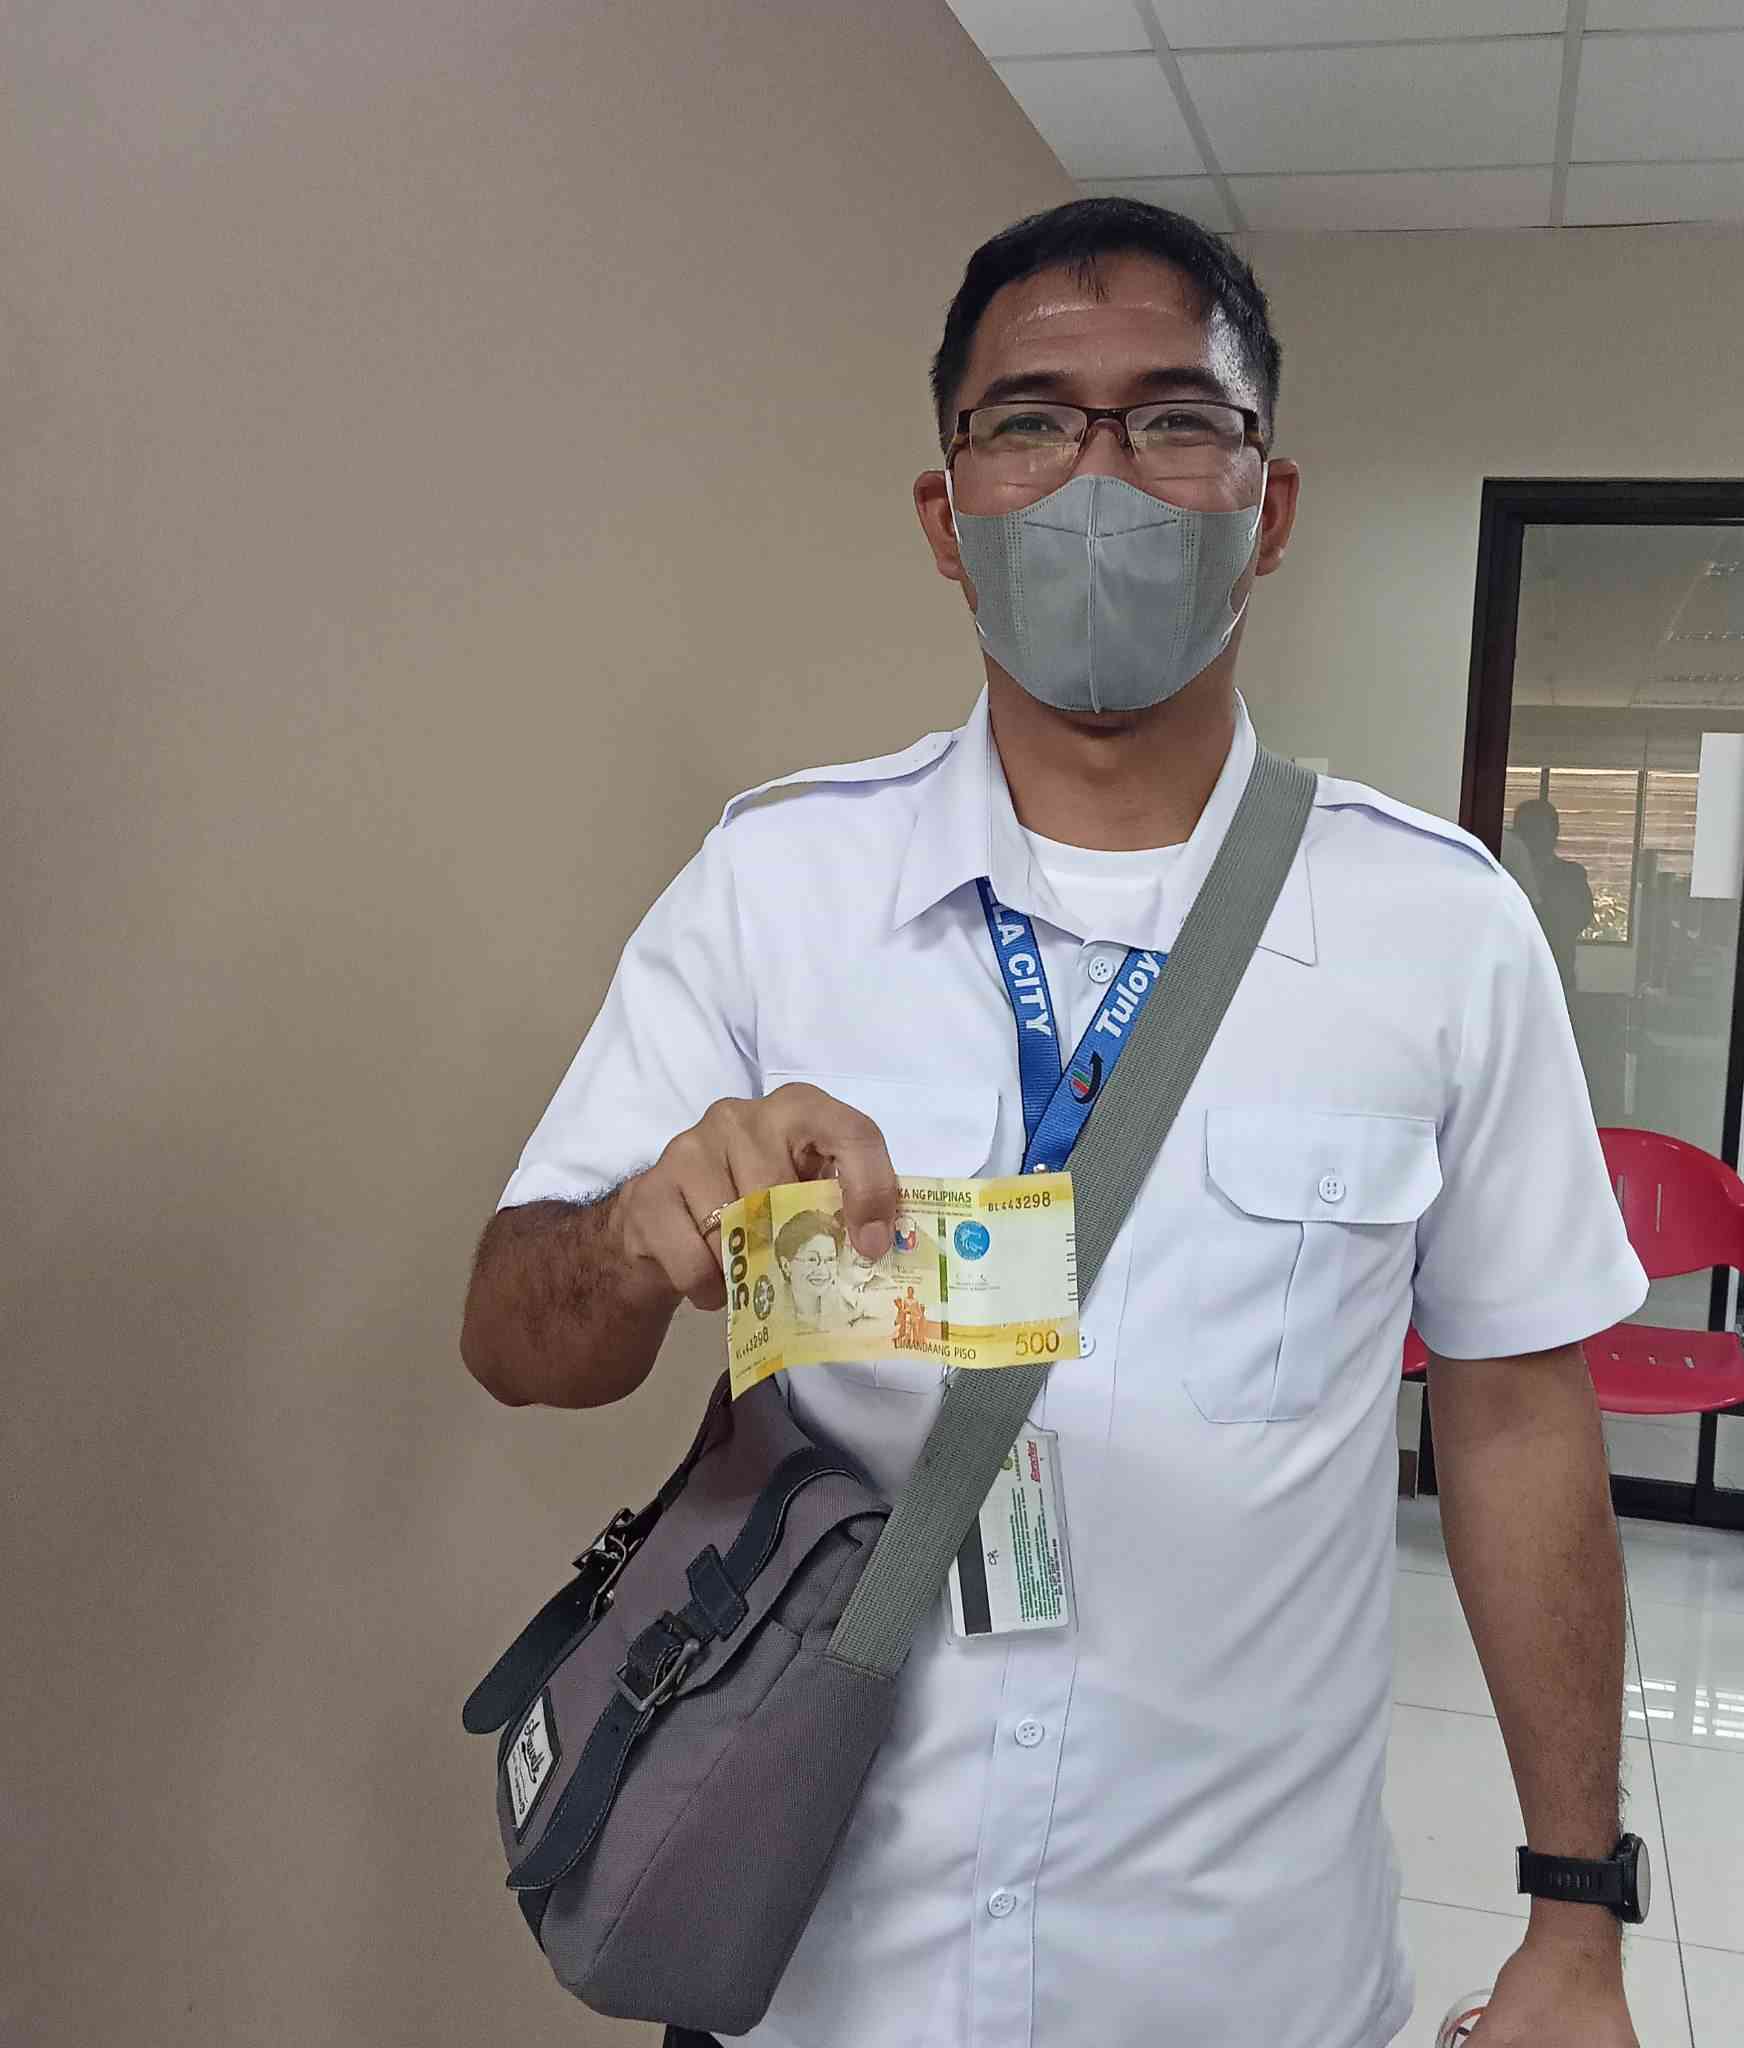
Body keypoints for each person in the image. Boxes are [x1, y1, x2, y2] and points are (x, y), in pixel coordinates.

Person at [461, 198, 1650, 2048]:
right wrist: (631, 1239)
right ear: (948, 514)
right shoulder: (776, 889)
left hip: (1238, 1979)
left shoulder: (1439, 929)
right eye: (1028, 421)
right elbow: (515, 1337)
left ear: (1267, 502)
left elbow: (1515, 1419)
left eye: (1174, 418)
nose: (1098, 476)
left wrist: (1577, 1917)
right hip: (815, 1967)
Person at [1508, 796, 1597, 996]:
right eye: (1524, 830)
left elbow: (1579, 919)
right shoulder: (1505, 874)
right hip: (1512, 975)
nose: (1531, 837)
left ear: (1554, 832)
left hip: (1557, 972)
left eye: (1538, 829)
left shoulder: (1571, 875)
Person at [773, 1207, 844, 1334]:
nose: (822, 1270)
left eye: (830, 1259)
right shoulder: (774, 1318)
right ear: (786, 1266)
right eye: (812, 1259)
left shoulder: (847, 1310)